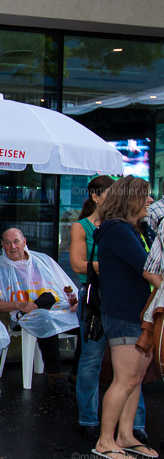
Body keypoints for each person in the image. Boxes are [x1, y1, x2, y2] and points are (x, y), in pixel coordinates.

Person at [69, 176, 147, 441]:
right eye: (109, 192)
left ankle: (134, 426)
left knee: (132, 372)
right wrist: (115, 264)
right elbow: (79, 266)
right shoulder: (86, 227)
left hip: (119, 295)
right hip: (95, 295)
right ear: (95, 196)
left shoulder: (132, 226)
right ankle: (90, 420)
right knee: (93, 359)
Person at [91, 177, 158, 459]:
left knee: (136, 379)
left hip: (136, 312)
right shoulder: (118, 230)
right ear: (129, 199)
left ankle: (126, 436)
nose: (150, 202)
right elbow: (148, 269)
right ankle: (105, 441)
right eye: (145, 196)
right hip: (124, 313)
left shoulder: (131, 229)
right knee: (126, 379)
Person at [0, 228, 79, 395]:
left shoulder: (43, 261)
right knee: (44, 320)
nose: (12, 246)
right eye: (8, 242)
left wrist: (74, 301)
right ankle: (56, 374)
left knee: (86, 324)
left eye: (16, 242)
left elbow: (66, 285)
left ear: (24, 242)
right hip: (23, 317)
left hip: (56, 309)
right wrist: (19, 305)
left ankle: (77, 373)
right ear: (2, 245)